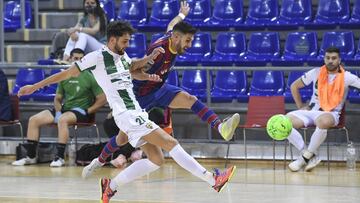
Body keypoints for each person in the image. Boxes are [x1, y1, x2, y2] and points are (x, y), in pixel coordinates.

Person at [17, 21, 236, 203]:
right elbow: (67, 74)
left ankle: (110, 186)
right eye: (124, 41)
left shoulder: (121, 57)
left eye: (128, 41)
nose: (127, 44)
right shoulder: (97, 57)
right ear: (112, 40)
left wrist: (147, 67)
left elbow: (133, 69)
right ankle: (212, 180)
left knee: (156, 159)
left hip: (135, 110)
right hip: (128, 114)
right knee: (171, 143)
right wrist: (34, 87)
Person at [81, 1, 240, 179]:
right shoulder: (159, 52)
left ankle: (220, 127)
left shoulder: (172, 37)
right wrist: (146, 78)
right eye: (188, 41)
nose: (189, 45)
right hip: (139, 97)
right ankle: (99, 161)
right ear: (177, 38)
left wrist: (182, 15)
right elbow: (132, 71)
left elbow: (171, 25)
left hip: (158, 89)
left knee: (189, 99)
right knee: (121, 139)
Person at [12, 48, 107, 167]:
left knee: (63, 120)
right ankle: (31, 156)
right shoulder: (65, 76)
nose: (77, 61)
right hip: (65, 109)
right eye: (75, 58)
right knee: (34, 119)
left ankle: (60, 157)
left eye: (80, 59)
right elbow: (57, 98)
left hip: (81, 111)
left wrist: (89, 110)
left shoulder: (90, 77)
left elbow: (103, 98)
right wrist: (57, 111)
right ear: (70, 59)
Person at [286, 46, 360, 172]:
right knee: (284, 122)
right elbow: (294, 86)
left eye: (334, 58)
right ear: (324, 59)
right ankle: (310, 156)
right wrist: (300, 107)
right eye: (327, 58)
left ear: (339, 60)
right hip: (312, 110)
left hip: (331, 113)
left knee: (323, 121)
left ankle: (302, 160)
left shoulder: (347, 76)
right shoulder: (315, 72)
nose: (330, 61)